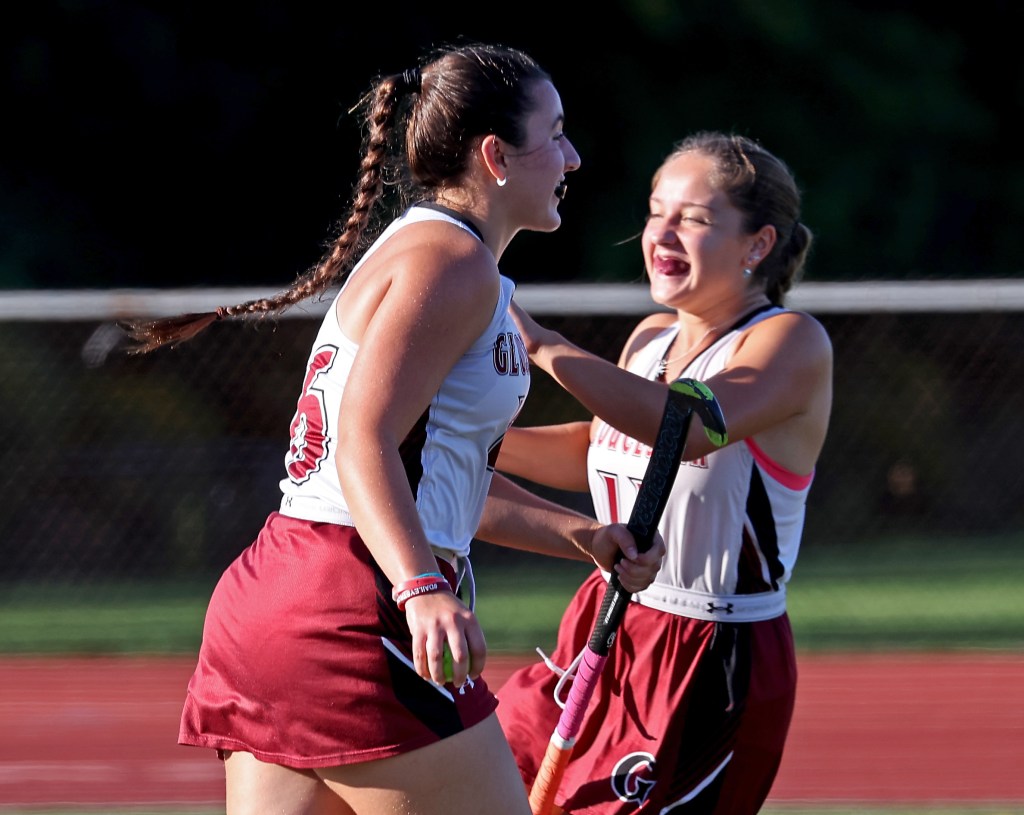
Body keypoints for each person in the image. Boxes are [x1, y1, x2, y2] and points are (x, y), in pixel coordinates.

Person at [121, 43, 664, 815]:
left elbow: (436, 481)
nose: (572, 158)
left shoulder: (443, 254)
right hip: (348, 602)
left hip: (286, 593)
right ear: (495, 156)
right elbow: (364, 441)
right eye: (557, 134)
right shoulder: (452, 261)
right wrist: (420, 589)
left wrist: (583, 535)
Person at [495, 131, 833, 814]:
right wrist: (472, 442)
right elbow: (603, 446)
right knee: (483, 781)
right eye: (657, 210)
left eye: (695, 218)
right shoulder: (650, 338)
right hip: (606, 623)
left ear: (758, 245)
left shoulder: (790, 341)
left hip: (714, 655)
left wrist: (538, 342)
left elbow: (683, 427)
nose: (663, 231)